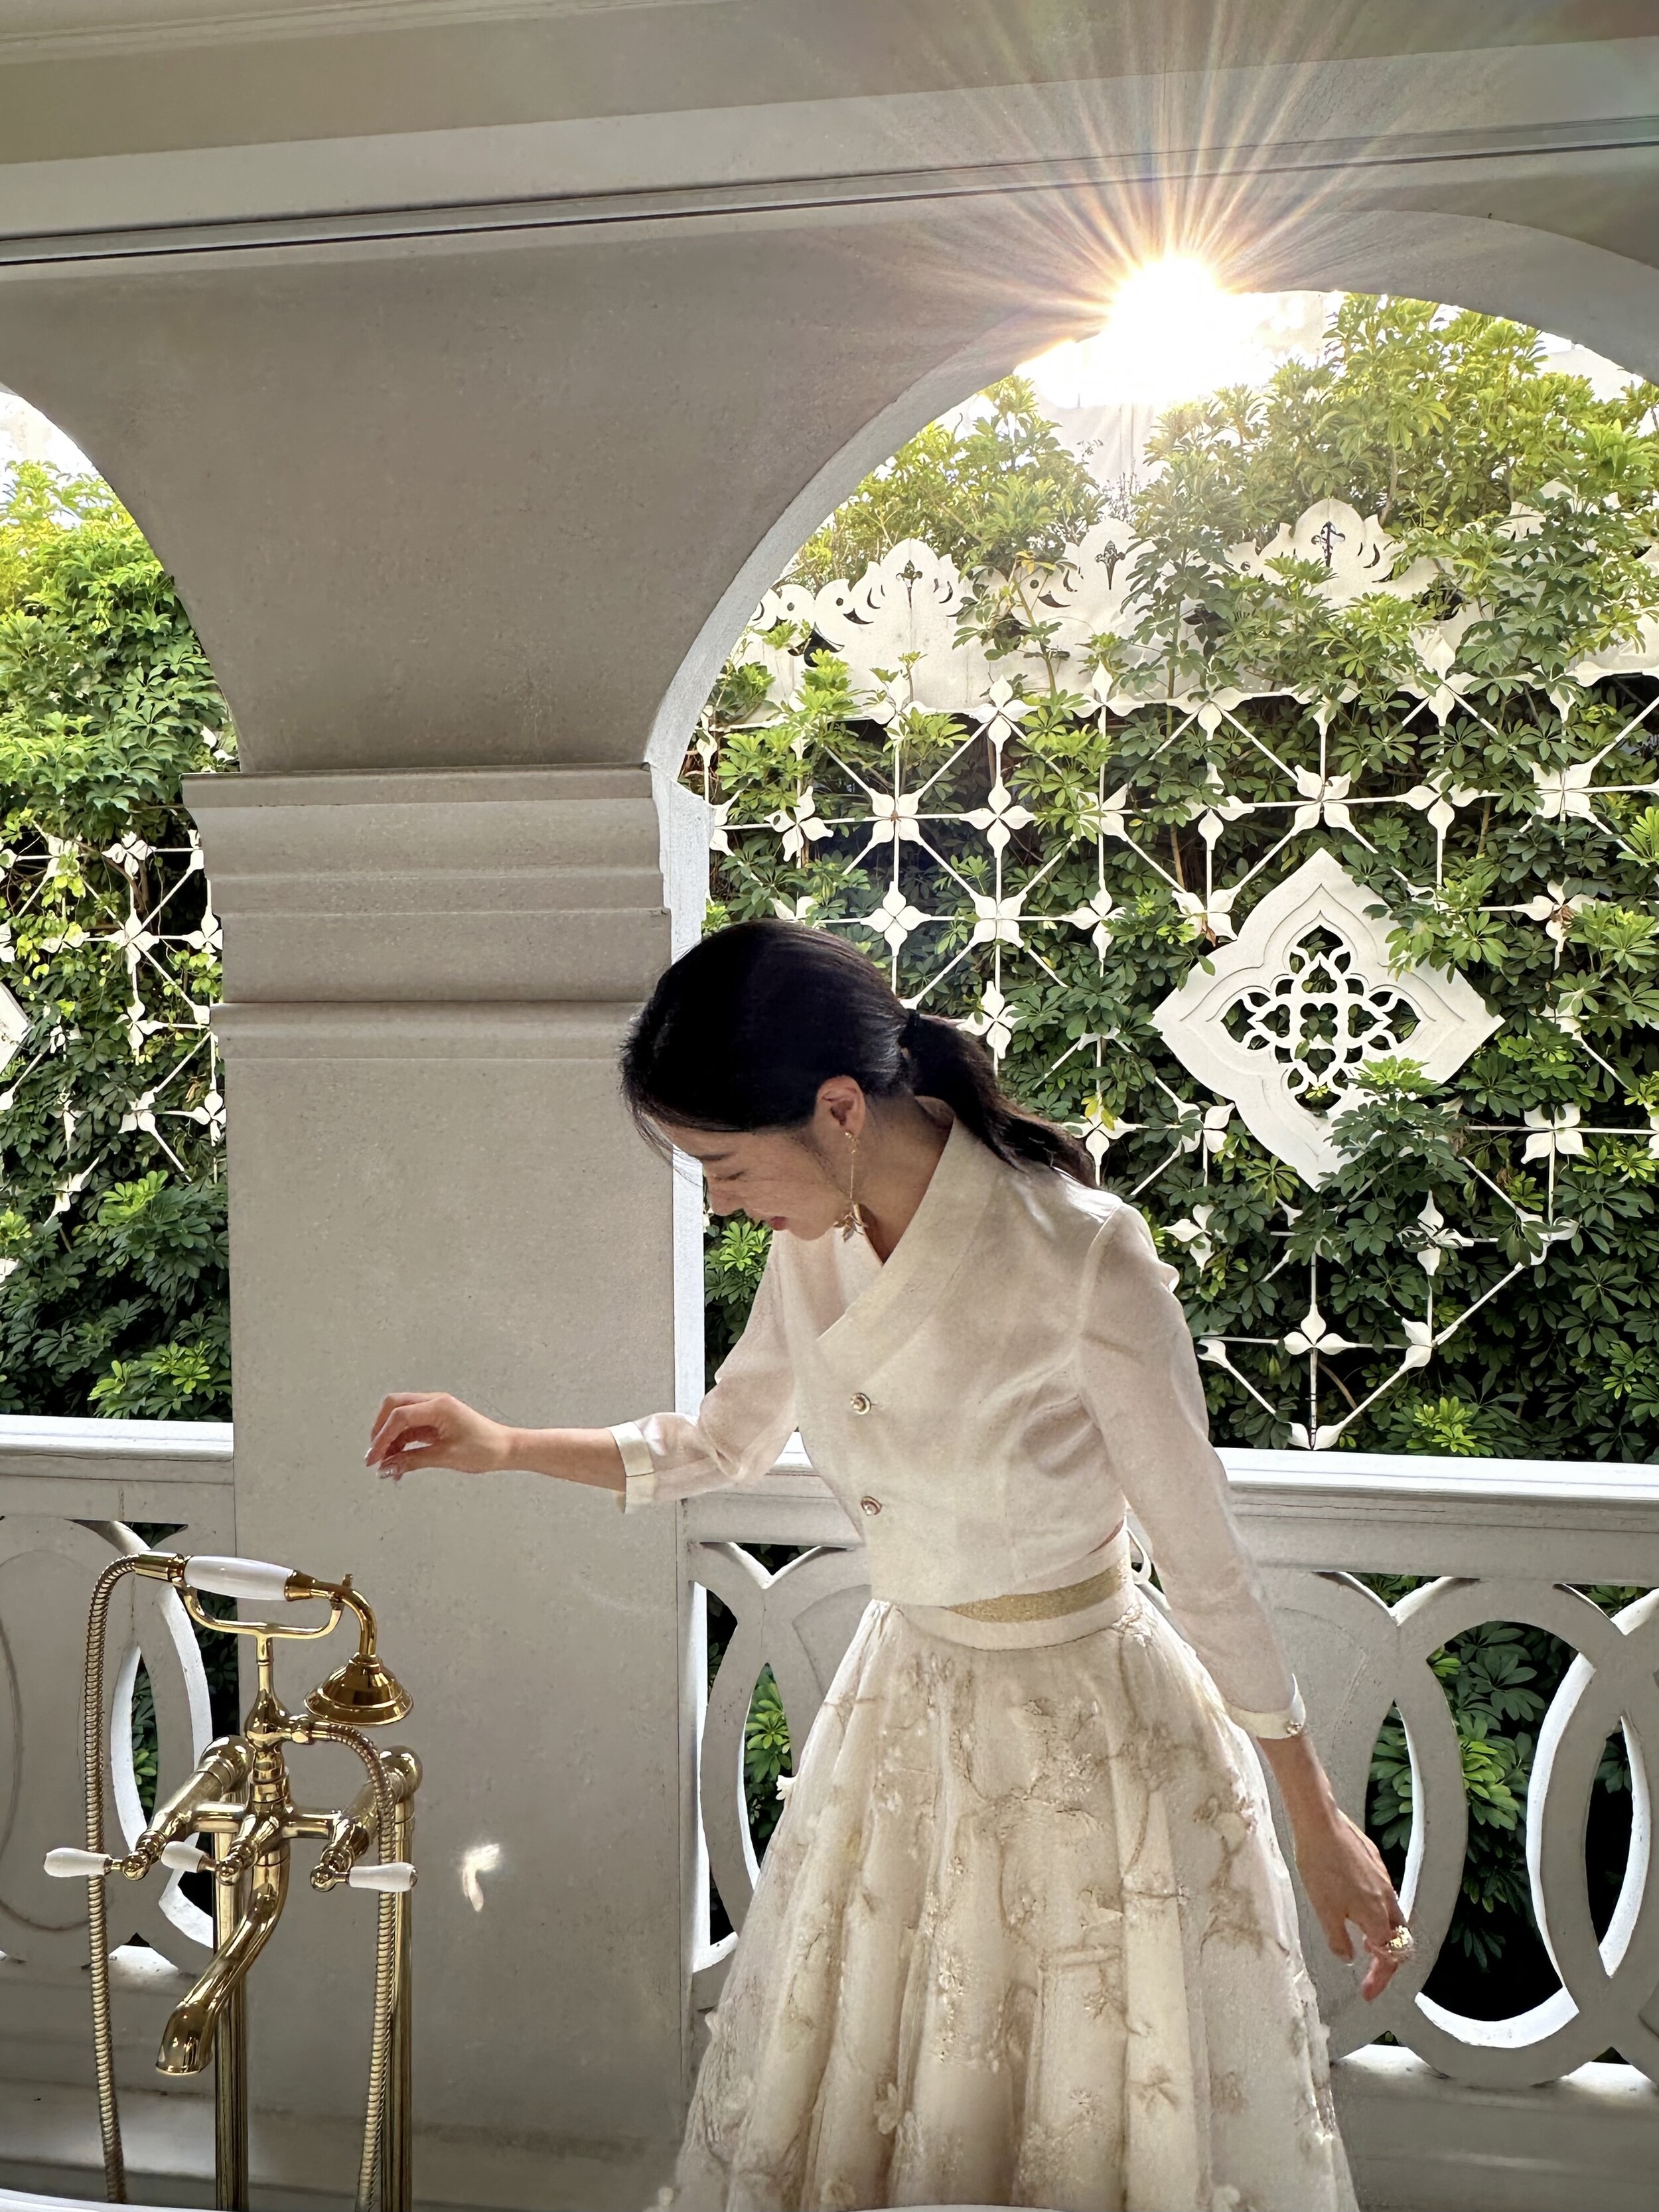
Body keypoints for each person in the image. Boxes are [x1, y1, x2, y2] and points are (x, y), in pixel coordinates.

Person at [366, 919, 1408, 2212]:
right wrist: (505, 1444)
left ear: (840, 1106)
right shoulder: (814, 1238)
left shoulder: (1080, 1252)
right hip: (904, 1716)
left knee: (1081, 2118)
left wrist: (1315, 1819)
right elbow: (721, 1441)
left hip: (1087, 1737)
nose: (719, 1201)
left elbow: (1203, 1566)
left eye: (723, 1164)